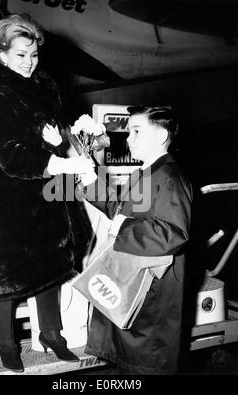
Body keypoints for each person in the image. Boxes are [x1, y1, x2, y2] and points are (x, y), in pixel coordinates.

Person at [0, 13, 95, 373]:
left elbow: (56, 135)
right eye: (21, 55)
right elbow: (11, 157)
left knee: (50, 269)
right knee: (8, 278)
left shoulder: (44, 86)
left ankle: (52, 335)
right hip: (9, 200)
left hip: (47, 195)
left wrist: (71, 155)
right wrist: (61, 164)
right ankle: (6, 344)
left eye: (34, 55)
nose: (29, 63)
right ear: (2, 55)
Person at [81, 105, 193, 374]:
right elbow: (118, 209)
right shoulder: (146, 173)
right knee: (131, 363)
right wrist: (90, 179)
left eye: (136, 131)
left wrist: (124, 226)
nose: (128, 139)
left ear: (161, 135)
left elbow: (173, 232)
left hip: (152, 293)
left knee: (146, 364)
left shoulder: (170, 177)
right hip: (134, 288)